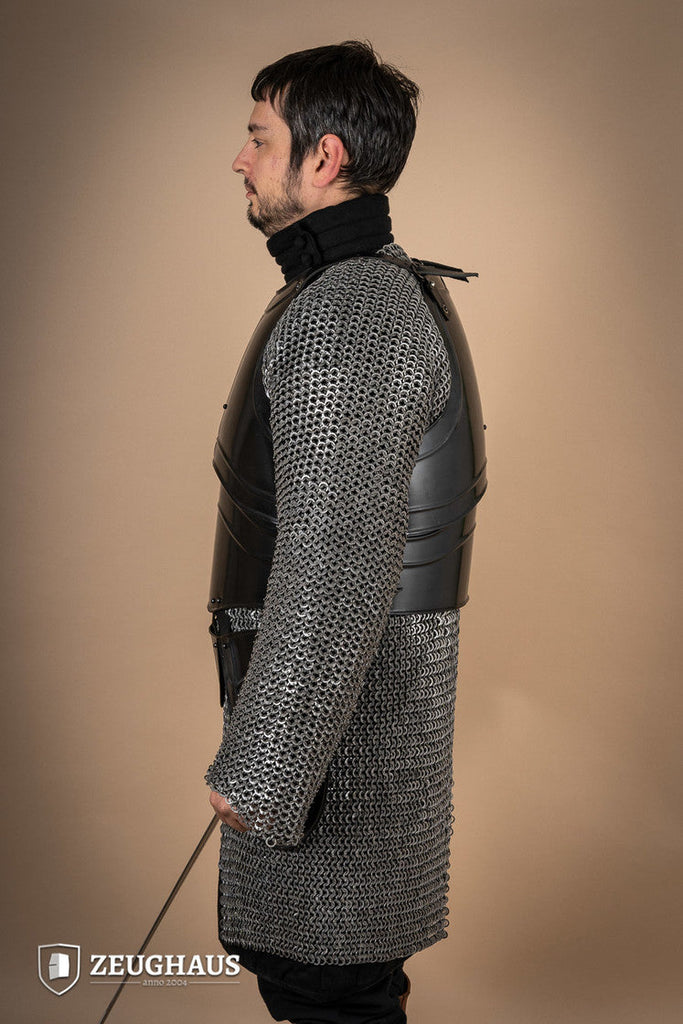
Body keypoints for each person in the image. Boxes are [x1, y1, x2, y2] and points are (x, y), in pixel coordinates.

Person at [204, 40, 487, 1024]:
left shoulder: (351, 309)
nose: (239, 159)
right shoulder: (362, 291)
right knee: (335, 993)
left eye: (258, 138)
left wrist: (265, 767)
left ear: (322, 157)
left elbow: (337, 562)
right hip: (343, 736)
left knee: (329, 994)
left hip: (337, 756)